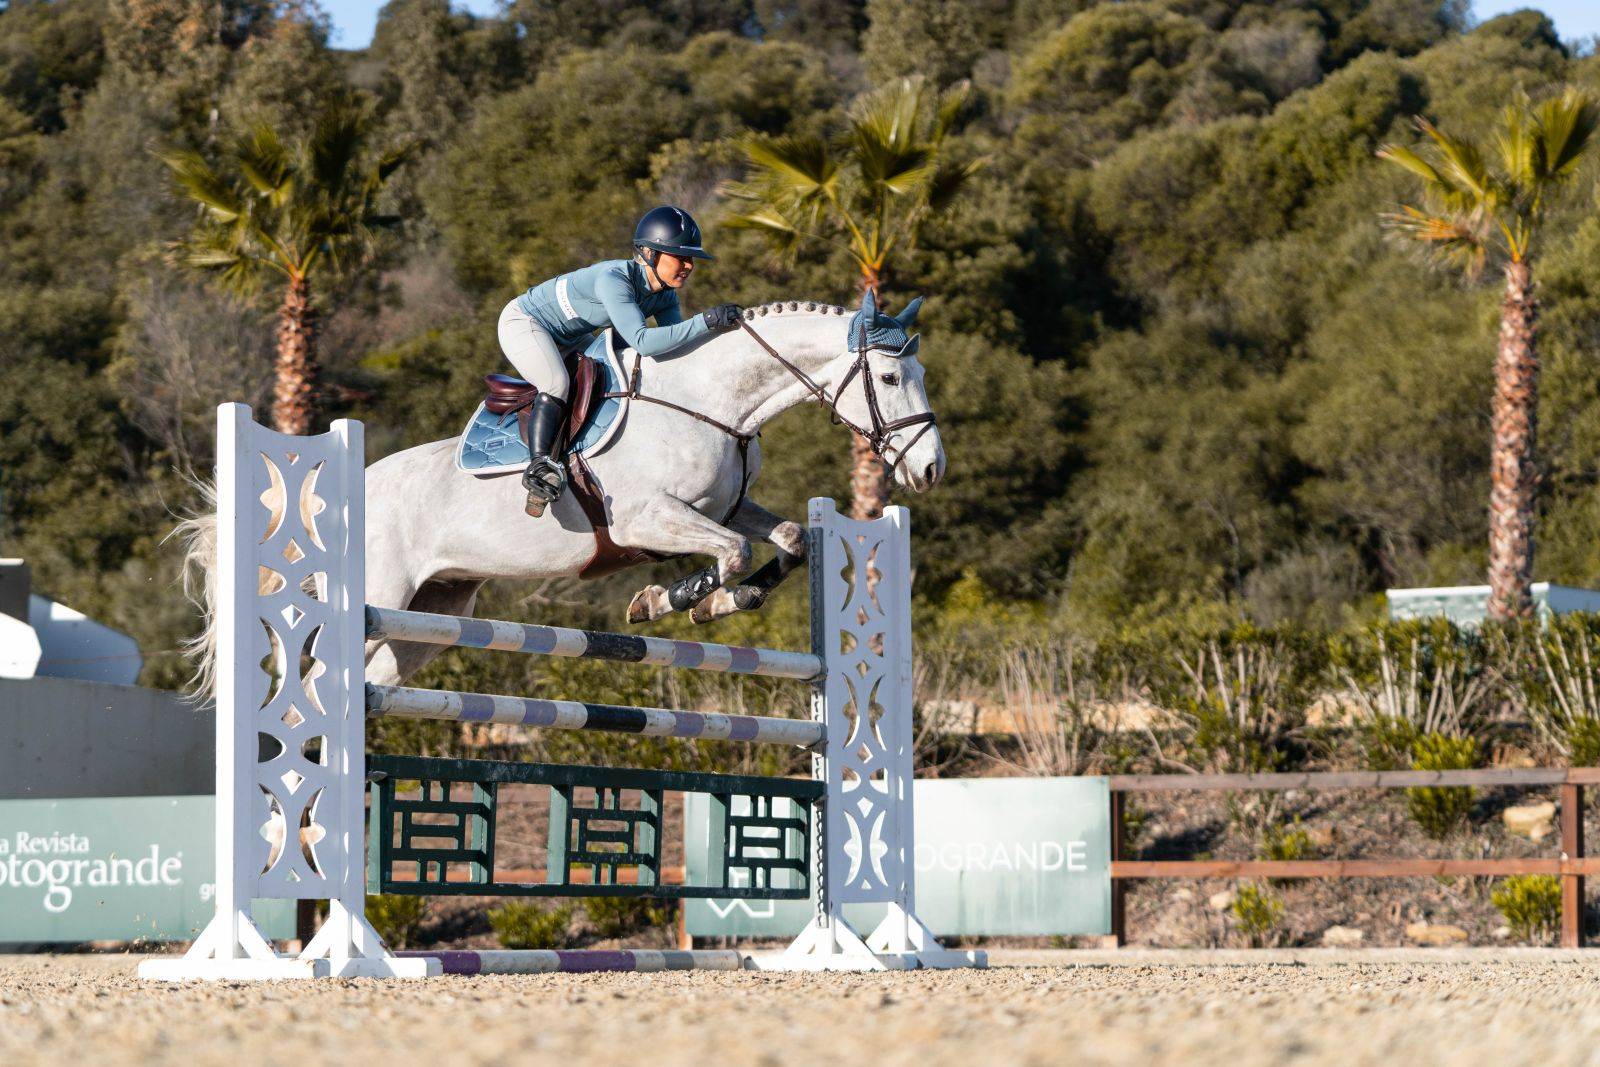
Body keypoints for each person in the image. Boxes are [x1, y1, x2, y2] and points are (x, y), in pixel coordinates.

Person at [499, 205, 743, 510]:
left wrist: (720, 336)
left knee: (611, 378)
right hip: (525, 323)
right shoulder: (614, 279)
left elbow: (673, 346)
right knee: (557, 382)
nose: (689, 265)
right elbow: (644, 343)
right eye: (680, 257)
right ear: (650, 254)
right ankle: (540, 466)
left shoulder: (665, 294)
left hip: (570, 336)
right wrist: (705, 321)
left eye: (691, 258)